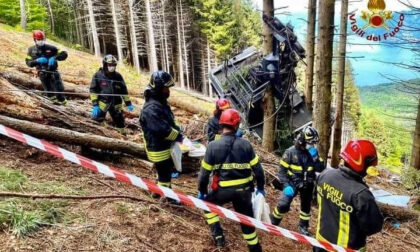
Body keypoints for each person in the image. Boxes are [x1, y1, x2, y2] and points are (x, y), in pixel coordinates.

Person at [197, 108, 265, 252]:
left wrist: (202, 191)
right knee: (247, 222)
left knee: (208, 205)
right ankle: (254, 248)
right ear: (236, 125)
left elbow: (204, 175)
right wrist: (260, 189)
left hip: (222, 191)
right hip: (244, 192)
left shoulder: (213, 146)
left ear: (221, 125)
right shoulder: (246, 145)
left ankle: (219, 236)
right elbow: (258, 171)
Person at [314, 140, 383, 252]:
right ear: (363, 163)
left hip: (320, 243)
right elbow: (373, 227)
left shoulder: (325, 174)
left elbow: (317, 199)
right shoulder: (361, 194)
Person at [271, 126, 325, 235]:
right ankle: (273, 222)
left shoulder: (312, 153)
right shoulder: (290, 152)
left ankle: (303, 226)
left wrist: (317, 159)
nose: (312, 144)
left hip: (308, 183)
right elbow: (282, 171)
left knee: (306, 208)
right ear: (302, 141)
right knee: (283, 204)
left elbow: (320, 169)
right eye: (310, 142)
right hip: (292, 182)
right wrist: (286, 185)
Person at [139, 71, 183, 199]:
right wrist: (178, 136)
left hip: (161, 146)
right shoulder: (151, 109)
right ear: (158, 88)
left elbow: (168, 121)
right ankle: (169, 198)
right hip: (158, 149)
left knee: (162, 172)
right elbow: (162, 130)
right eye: (165, 88)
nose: (168, 91)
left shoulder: (159, 102)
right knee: (165, 175)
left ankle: (157, 192)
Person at [90, 54, 133, 135]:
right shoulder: (98, 75)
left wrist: (128, 103)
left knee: (120, 121)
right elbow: (93, 90)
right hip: (102, 103)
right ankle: (102, 134)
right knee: (96, 119)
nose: (112, 67)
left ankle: (122, 136)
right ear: (105, 64)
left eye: (113, 65)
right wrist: (95, 105)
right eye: (110, 65)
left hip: (116, 104)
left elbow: (124, 91)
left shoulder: (118, 76)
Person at [25, 30, 68, 105]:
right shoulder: (31, 50)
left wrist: (55, 57)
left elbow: (64, 54)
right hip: (42, 74)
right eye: (39, 39)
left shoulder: (52, 48)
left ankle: (65, 105)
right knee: (49, 93)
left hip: (53, 72)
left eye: (42, 39)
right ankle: (56, 107)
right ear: (35, 40)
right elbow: (28, 62)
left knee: (59, 92)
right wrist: (37, 61)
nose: (41, 41)